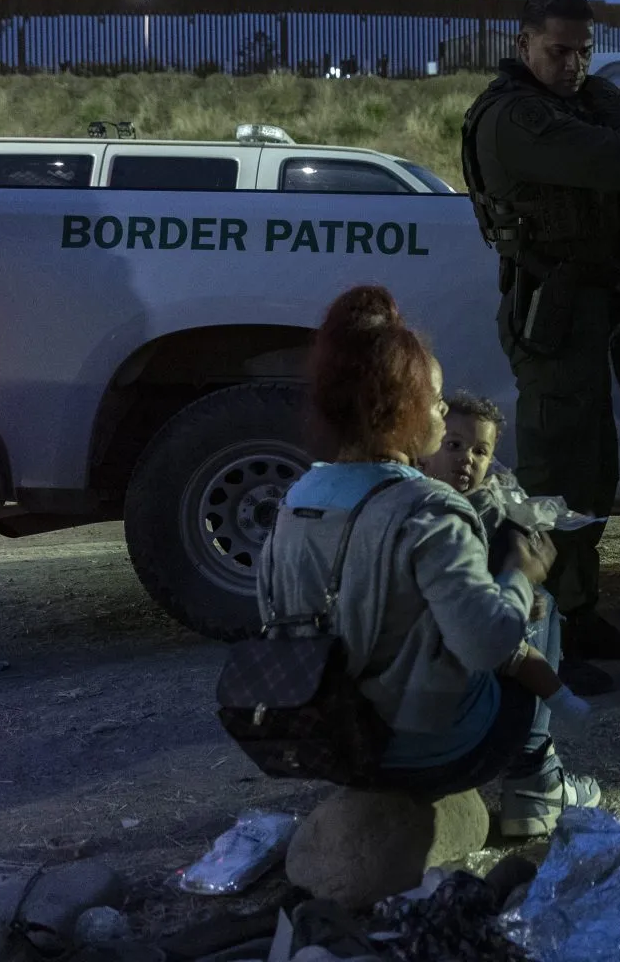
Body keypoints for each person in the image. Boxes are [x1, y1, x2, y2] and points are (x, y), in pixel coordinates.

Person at [256, 285, 598, 837]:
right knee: (540, 608)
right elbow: (487, 643)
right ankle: (535, 786)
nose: (443, 412)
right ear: (404, 410)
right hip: (426, 750)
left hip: (331, 739)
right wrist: (518, 573)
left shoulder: (297, 498)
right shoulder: (428, 506)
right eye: (436, 400)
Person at [461, 0, 620, 688]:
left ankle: (578, 609)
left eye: (583, 53)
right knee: (550, 478)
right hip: (548, 310)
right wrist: (606, 100)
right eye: (558, 51)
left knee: (590, 471)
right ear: (524, 46)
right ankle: (540, 634)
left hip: (577, 305)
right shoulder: (516, 118)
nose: (573, 64)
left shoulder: (560, 108)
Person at [420, 392, 590, 725]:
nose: (467, 458)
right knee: (521, 654)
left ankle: (548, 727)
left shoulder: (491, 504)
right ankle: (537, 751)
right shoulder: (423, 505)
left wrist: (525, 590)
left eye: (480, 452)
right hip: (455, 630)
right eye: (454, 445)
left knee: (545, 609)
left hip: (485, 608)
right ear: (427, 450)